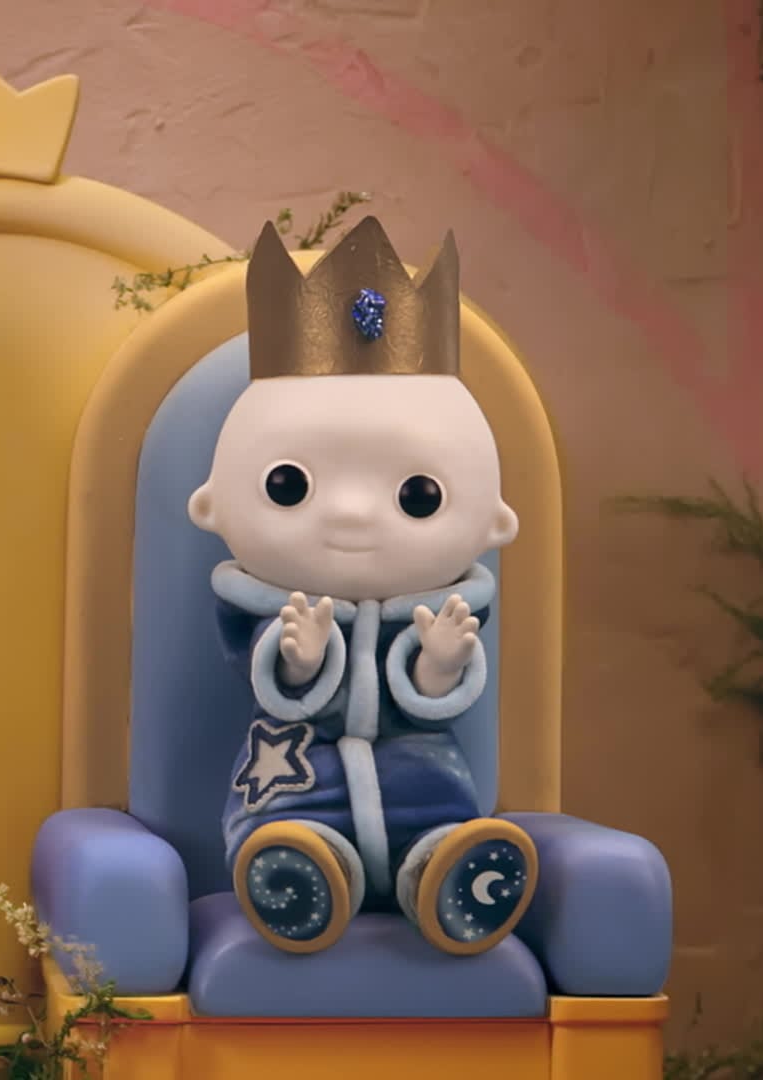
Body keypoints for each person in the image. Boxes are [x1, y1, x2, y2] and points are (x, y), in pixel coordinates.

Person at [188, 216, 535, 958]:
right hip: (299, 776)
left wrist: (438, 664)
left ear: (494, 522)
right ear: (211, 505)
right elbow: (270, 685)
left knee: (440, 825)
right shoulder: (262, 608)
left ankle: (442, 873)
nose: (349, 514)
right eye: (290, 486)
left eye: (417, 496)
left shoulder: (443, 609)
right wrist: (301, 660)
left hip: (421, 776)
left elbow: (433, 698)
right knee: (292, 832)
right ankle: (305, 872)